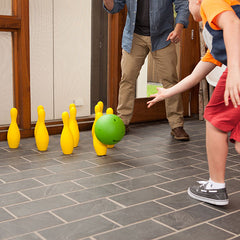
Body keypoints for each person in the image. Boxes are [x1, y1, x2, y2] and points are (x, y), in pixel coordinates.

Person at [147, 0, 240, 206]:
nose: (188, 11)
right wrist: (168, 92)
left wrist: (234, 70)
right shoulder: (215, 31)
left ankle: (216, 187)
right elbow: (202, 68)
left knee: (215, 119)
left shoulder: (211, 1)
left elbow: (233, 24)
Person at [103, 0, 190, 141]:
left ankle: (176, 125)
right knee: (127, 78)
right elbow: (115, 7)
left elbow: (183, 4)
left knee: (170, 81)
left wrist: (178, 29)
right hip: (134, 37)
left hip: (163, 36)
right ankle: (123, 121)